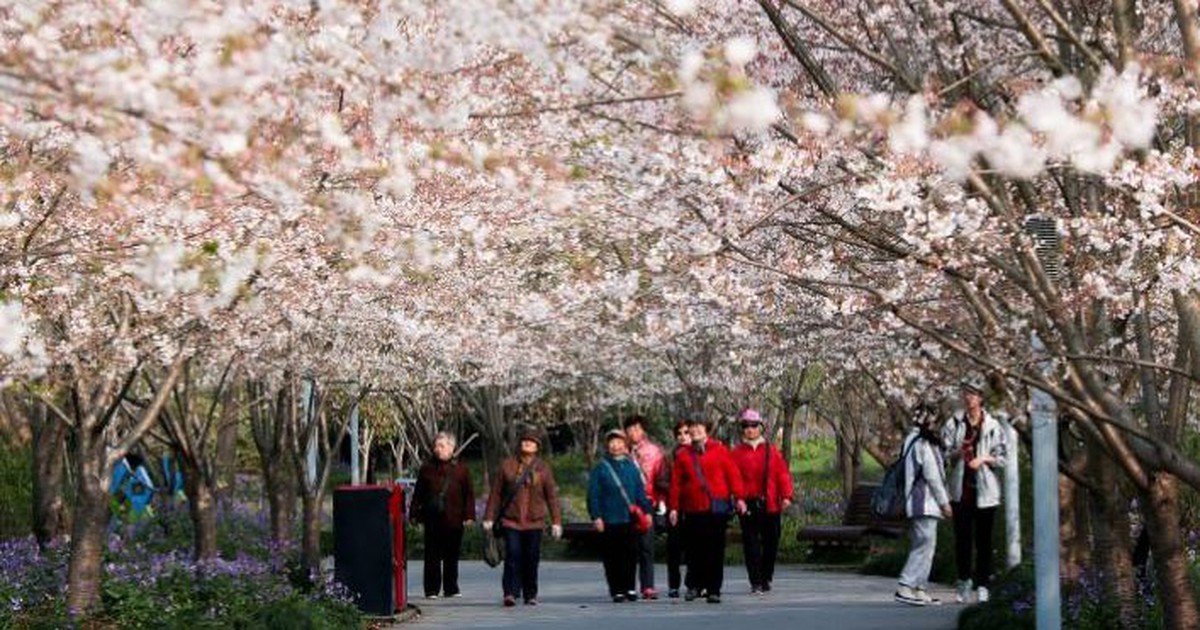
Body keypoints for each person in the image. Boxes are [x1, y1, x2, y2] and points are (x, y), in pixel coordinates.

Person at [942, 378, 1008, 604]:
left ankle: (983, 584)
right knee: (962, 540)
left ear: (981, 398)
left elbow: (1003, 457)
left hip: (986, 492)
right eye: (966, 394)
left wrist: (983, 459)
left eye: (974, 394)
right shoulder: (954, 423)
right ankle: (963, 581)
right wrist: (958, 453)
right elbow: (943, 453)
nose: (969, 398)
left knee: (984, 541)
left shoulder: (992, 425)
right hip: (961, 491)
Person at [668, 413, 745, 604]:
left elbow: (732, 475)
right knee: (694, 550)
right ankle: (693, 586)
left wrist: (740, 497)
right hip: (692, 509)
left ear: (707, 430)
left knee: (715, 550)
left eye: (698, 426)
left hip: (715, 508)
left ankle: (713, 589)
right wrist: (674, 508)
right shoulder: (683, 455)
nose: (694, 430)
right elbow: (676, 483)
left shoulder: (719, 450)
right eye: (691, 427)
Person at [483, 429, 563, 607]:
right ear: (519, 444)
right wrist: (489, 517)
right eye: (525, 440)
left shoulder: (543, 468)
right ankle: (510, 592)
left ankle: (530, 594)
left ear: (537, 447)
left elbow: (552, 497)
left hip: (535, 522)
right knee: (513, 555)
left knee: (531, 558)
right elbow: (495, 493)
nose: (527, 443)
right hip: (511, 520)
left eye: (532, 441)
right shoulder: (507, 465)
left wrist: (556, 521)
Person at [730, 408, 794, 595]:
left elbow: (782, 474)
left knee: (771, 542)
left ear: (760, 427)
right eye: (745, 426)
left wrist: (787, 496)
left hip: (771, 503)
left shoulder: (771, 451)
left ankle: (766, 576)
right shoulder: (736, 453)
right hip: (748, 504)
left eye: (753, 425)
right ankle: (756, 581)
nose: (749, 429)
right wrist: (738, 498)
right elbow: (734, 478)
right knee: (751, 544)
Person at [895, 405, 953, 606]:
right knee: (923, 544)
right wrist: (945, 502)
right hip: (924, 502)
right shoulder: (922, 443)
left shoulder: (912, 440)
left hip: (920, 502)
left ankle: (920, 588)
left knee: (927, 545)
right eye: (933, 419)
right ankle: (906, 585)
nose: (936, 424)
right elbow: (933, 475)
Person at [588, 428, 653, 602]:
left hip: (629, 518)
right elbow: (593, 494)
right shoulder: (600, 468)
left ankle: (630, 588)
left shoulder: (631, 467)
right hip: (609, 518)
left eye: (619, 442)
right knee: (612, 556)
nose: (615, 445)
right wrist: (596, 516)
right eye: (612, 442)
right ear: (607, 445)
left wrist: (646, 511)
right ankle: (616, 589)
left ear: (625, 445)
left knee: (630, 554)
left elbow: (640, 491)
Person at [411, 432, 475, 599]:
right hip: (432, 518)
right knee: (431, 555)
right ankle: (431, 589)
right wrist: (414, 514)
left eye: (442, 446)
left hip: (454, 519)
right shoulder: (427, 468)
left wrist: (469, 515)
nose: (438, 449)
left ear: (452, 448)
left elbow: (469, 494)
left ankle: (451, 588)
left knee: (451, 555)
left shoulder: (461, 469)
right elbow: (418, 493)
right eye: (436, 446)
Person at [622, 414, 667, 599]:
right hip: (625, 505)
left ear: (643, 430)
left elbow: (660, 478)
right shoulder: (621, 451)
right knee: (628, 548)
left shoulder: (654, 451)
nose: (633, 432)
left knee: (646, 547)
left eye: (637, 428)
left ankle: (648, 586)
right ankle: (628, 587)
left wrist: (662, 501)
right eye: (630, 429)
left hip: (647, 502)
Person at [665, 420, 691, 598]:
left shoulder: (698, 454)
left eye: (686, 432)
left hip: (693, 507)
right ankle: (673, 585)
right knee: (673, 549)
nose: (683, 436)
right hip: (673, 507)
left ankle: (693, 583)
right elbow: (662, 479)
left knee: (694, 548)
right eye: (679, 433)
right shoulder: (669, 458)